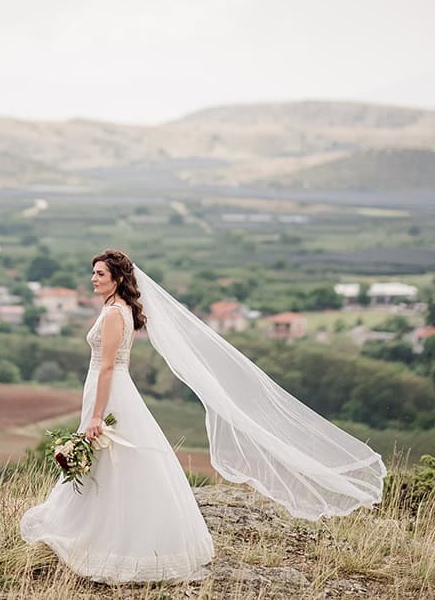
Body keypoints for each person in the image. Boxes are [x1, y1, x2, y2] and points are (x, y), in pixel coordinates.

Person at [21, 249, 386, 585]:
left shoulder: (115, 313)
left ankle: (114, 542)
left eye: (99, 273)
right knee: (106, 463)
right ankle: (91, 530)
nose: (93, 279)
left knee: (116, 461)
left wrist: (97, 416)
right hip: (108, 392)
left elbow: (105, 368)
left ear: (117, 278)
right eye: (93, 273)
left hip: (111, 394)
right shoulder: (116, 309)